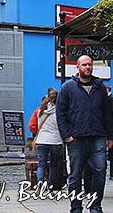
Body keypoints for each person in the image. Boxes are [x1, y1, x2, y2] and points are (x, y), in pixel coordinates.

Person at [56, 55, 113, 213]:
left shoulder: (99, 86)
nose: (88, 67)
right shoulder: (68, 88)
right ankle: (76, 208)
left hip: (98, 136)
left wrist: (110, 136)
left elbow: (107, 113)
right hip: (77, 138)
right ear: (78, 67)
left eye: (90, 65)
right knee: (75, 175)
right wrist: (66, 135)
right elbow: (60, 113)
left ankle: (95, 206)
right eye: (84, 65)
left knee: (100, 171)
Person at [34, 90, 63, 188]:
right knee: (53, 166)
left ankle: (39, 183)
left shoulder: (40, 111)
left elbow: (36, 125)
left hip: (41, 140)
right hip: (55, 141)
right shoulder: (58, 112)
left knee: (41, 164)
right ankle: (50, 186)